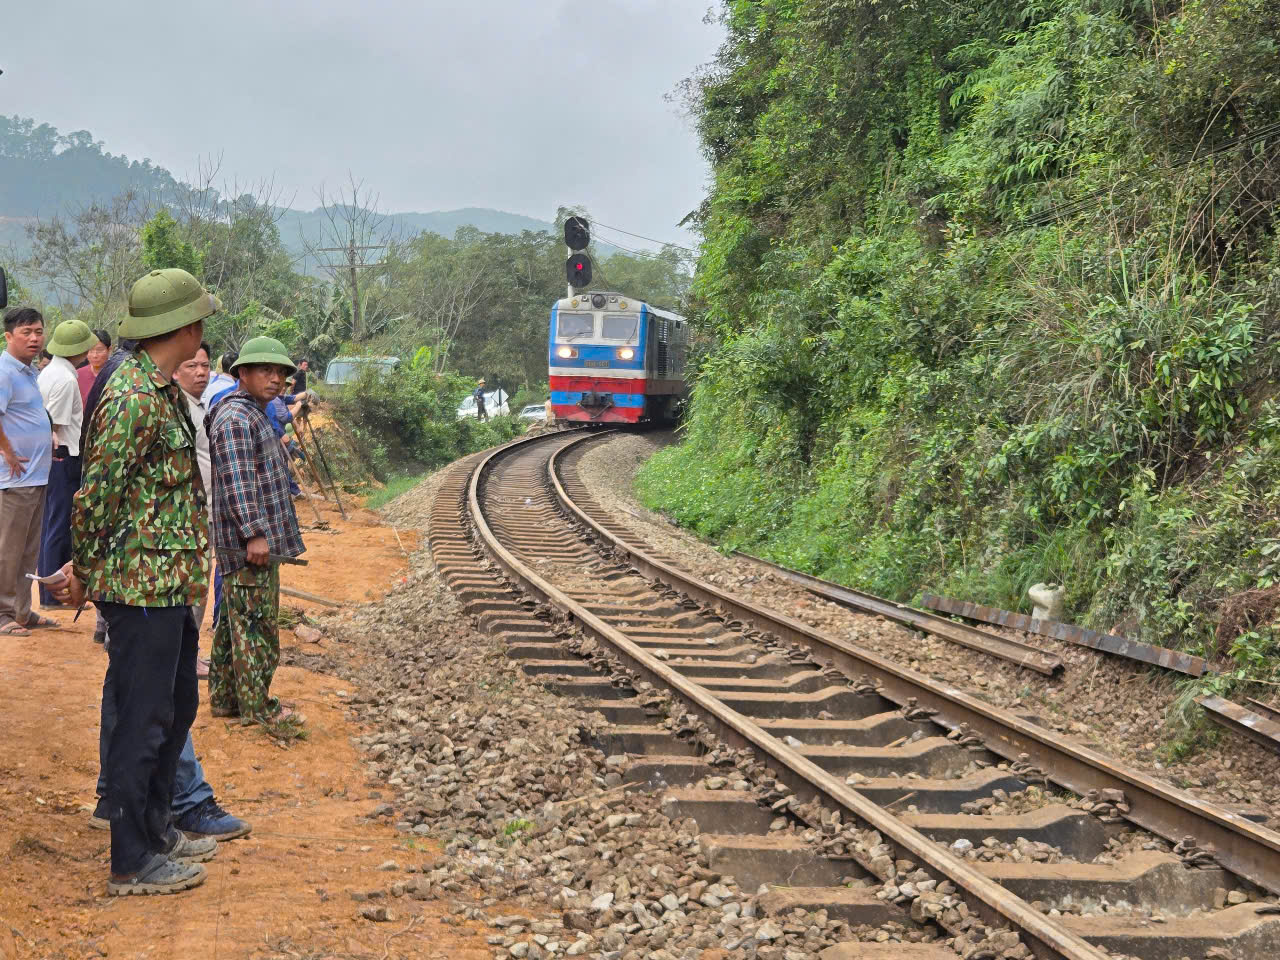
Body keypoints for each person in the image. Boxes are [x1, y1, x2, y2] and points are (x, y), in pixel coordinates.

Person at [56, 268, 221, 895]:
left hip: (167, 581)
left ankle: (155, 831)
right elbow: (97, 493)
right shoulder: (133, 398)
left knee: (175, 707)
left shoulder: (158, 389)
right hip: (138, 586)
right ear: (184, 328)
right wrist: (85, 573)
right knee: (142, 719)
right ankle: (129, 860)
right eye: (198, 320)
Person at [207, 336, 306, 724]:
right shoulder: (237, 418)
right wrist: (255, 534)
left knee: (234, 626)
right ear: (242, 374)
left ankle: (226, 699)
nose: (276, 379)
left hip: (253, 544)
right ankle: (257, 708)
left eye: (280, 372)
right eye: (265, 370)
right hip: (248, 546)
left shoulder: (253, 412)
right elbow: (239, 481)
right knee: (255, 628)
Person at [0, 307, 53, 637]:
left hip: (36, 476)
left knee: (27, 551)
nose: (34, 338)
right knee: (8, 550)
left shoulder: (29, 372)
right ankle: (2, 613)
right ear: (8, 336)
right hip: (14, 479)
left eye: (38, 331)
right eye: (26, 332)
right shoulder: (4, 372)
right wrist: (8, 452)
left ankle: (21, 610)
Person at [36, 320, 96, 608]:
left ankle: (53, 590)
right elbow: (55, 424)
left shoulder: (50, 372)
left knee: (53, 523)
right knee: (60, 525)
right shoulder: (65, 379)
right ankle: (51, 593)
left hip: (55, 458)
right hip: (63, 456)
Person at [77, 329, 112, 406]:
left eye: (99, 350)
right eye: (90, 350)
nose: (95, 355)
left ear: (109, 350)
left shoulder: (116, 374)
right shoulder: (78, 375)